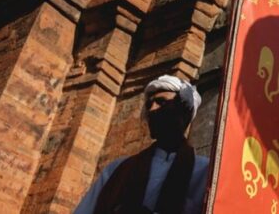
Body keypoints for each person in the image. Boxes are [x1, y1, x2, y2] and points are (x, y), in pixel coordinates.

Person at [75, 75, 209, 214]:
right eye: (149, 105)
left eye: (161, 102)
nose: (152, 109)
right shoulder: (116, 170)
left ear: (184, 111)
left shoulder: (205, 172)